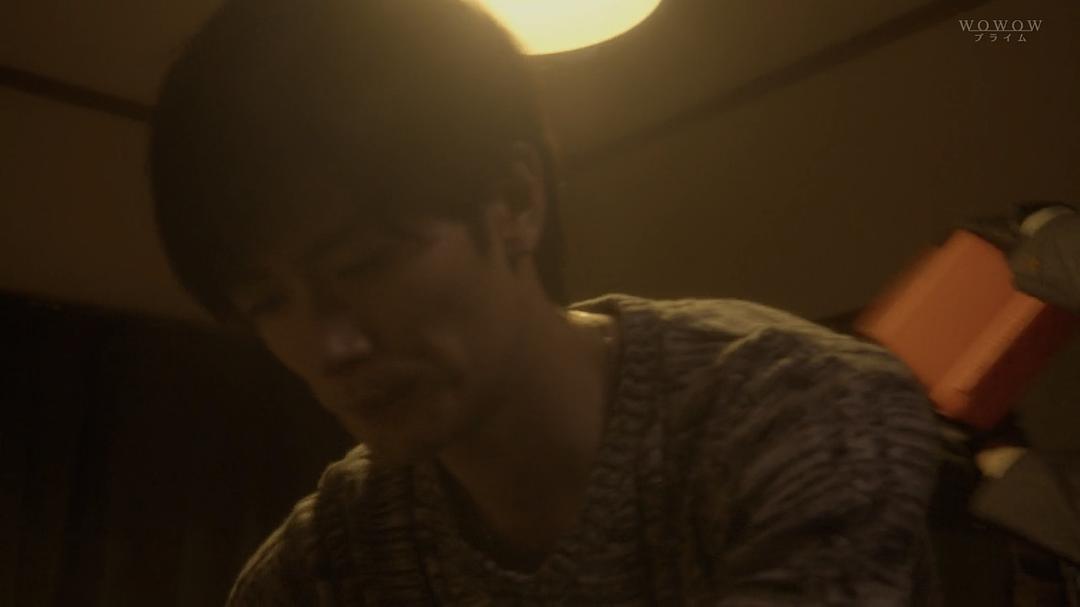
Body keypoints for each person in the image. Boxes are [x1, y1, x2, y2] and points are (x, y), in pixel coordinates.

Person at [148, 0, 942, 604]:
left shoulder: (795, 411)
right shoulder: (334, 556)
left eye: (366, 263)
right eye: (269, 301)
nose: (331, 345)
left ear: (517, 199)